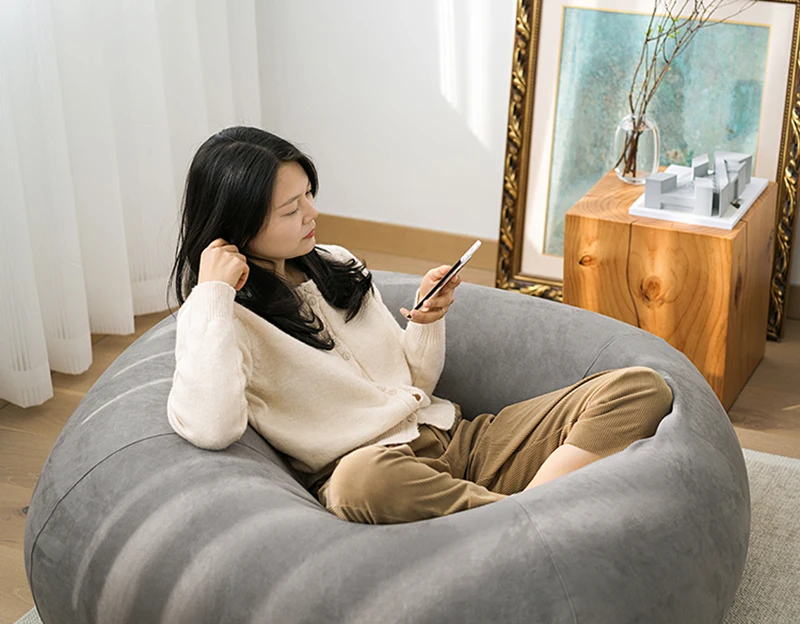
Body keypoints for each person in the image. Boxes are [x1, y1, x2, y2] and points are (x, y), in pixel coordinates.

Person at [167, 126, 673, 524]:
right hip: (380, 472)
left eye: (309, 195)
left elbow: (416, 384)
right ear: (237, 225)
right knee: (360, 482)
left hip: (461, 441)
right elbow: (212, 425)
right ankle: (532, 519)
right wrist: (212, 294)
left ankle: (525, 518)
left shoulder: (336, 263)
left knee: (639, 387)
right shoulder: (220, 318)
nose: (312, 212)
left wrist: (427, 321)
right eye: (290, 209)